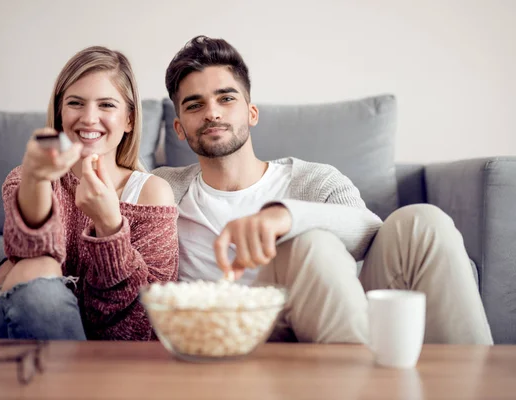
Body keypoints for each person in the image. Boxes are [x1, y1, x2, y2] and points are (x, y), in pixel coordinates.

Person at [153, 36, 493, 345]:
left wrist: (285, 217)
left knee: (424, 221)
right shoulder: (163, 188)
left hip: (332, 314)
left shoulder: (314, 179)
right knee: (309, 244)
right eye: (195, 105)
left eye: (226, 98)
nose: (212, 113)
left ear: (251, 112)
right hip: (241, 334)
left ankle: (477, 386)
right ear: (180, 129)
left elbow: (370, 231)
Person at [0, 46, 178, 341]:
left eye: (106, 105)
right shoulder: (27, 178)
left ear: (129, 119)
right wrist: (36, 180)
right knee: (36, 265)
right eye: (76, 103)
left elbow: (147, 324)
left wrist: (110, 228)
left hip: (120, 357)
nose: (89, 118)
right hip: (35, 338)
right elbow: (31, 260)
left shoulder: (152, 193)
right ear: (60, 112)